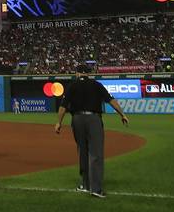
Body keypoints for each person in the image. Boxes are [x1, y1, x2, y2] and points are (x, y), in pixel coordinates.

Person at [55, 65, 129, 197]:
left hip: (77, 119)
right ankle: (96, 189)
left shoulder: (72, 85)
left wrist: (59, 122)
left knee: (82, 151)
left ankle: (85, 184)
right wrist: (122, 114)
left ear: (77, 73)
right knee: (96, 153)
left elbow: (63, 106)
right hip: (93, 119)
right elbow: (111, 100)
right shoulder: (96, 85)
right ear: (88, 74)